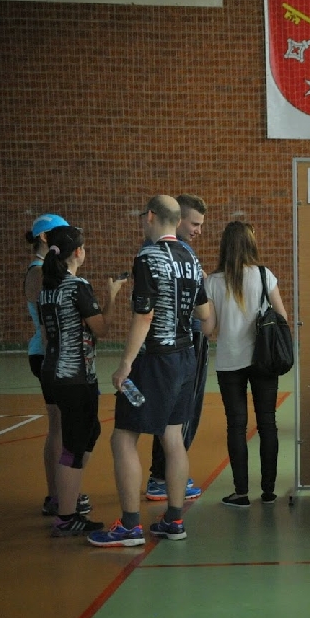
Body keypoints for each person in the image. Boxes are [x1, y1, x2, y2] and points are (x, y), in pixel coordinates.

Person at [88, 195, 212, 547]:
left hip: (155, 359)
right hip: (186, 357)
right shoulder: (191, 258)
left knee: (123, 438)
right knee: (173, 437)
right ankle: (174, 520)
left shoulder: (148, 257)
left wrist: (125, 363)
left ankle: (129, 526)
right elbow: (205, 314)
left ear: (151, 216)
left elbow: (144, 315)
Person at [38, 226, 126, 535]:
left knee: (89, 432)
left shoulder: (47, 289)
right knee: (74, 445)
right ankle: (66, 515)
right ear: (78, 252)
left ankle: (67, 497)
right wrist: (112, 297)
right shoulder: (77, 286)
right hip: (74, 377)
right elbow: (101, 328)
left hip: (53, 371)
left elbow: (47, 334)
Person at [204, 221, 289, 510]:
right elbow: (282, 316)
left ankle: (241, 493)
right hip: (263, 359)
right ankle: (268, 490)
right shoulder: (264, 275)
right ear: (251, 243)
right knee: (267, 422)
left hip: (229, 361)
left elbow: (209, 328)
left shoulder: (213, 281)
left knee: (236, 425)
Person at [26, 214, 91, 518]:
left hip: (55, 356)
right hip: (51, 356)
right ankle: (57, 496)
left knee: (64, 427)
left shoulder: (48, 271)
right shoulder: (39, 273)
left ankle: (60, 494)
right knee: (60, 428)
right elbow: (47, 324)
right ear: (44, 238)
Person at [145, 194, 209, 504]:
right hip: (183, 341)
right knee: (179, 415)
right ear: (177, 219)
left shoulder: (160, 251)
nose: (198, 230)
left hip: (171, 343)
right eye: (194, 224)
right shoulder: (172, 254)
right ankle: (163, 477)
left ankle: (162, 475)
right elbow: (202, 308)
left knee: (171, 414)